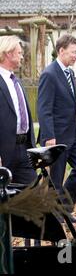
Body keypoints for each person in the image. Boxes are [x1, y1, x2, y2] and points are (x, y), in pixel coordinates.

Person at [37, 34, 76, 223]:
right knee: (55, 181)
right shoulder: (49, 74)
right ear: (61, 51)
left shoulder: (70, 72)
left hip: (74, 135)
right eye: (74, 52)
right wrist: (49, 136)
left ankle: (63, 209)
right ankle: (51, 221)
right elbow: (44, 109)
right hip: (57, 137)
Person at [0, 35, 36, 186]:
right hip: (4, 151)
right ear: (8, 53)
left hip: (24, 150)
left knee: (32, 192)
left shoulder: (17, 82)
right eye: (19, 53)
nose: (22, 56)